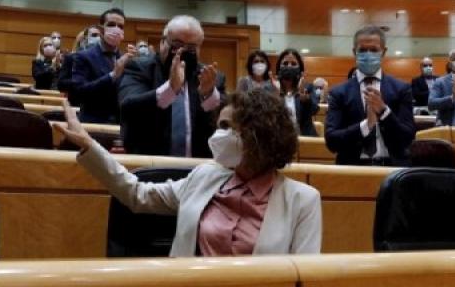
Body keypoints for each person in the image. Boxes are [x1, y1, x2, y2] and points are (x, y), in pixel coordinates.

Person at [56, 90, 322, 256]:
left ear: (260, 134)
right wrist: (89, 145)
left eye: (228, 126)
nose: (219, 135)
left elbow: (304, 277)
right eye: (219, 125)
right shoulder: (204, 177)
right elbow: (138, 194)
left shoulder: (302, 200)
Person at [119, 15, 226, 157]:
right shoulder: (139, 67)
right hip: (149, 163)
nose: (182, 52)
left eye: (191, 48)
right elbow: (128, 107)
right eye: (177, 45)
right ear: (163, 42)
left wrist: (209, 96)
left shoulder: (212, 77)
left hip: (197, 167)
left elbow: (226, 121)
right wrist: (170, 89)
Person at [324, 26, 415, 166]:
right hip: (353, 169)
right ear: (354, 52)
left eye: (373, 50)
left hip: (393, 169)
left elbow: (408, 138)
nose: (368, 54)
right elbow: (332, 141)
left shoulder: (401, 89)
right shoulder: (338, 93)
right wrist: (366, 125)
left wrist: (384, 112)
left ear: (383, 52)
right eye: (362, 50)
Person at [69, 9, 135, 124]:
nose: (116, 29)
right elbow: (78, 93)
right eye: (111, 24)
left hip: (120, 123)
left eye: (120, 26)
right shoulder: (83, 56)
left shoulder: (125, 58)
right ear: (100, 29)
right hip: (92, 123)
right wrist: (112, 75)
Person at [275, 48, 318, 137]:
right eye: (285, 63)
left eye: (294, 64)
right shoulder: (273, 88)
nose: (289, 66)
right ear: (279, 67)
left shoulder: (307, 87)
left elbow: (315, 110)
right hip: (279, 141)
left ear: (300, 69)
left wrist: (306, 100)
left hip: (305, 140)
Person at [58, 25, 101, 105]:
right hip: (77, 104)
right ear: (85, 38)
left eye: (100, 36)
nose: (98, 38)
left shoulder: (107, 59)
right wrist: (79, 81)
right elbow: (61, 84)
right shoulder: (71, 58)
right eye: (94, 35)